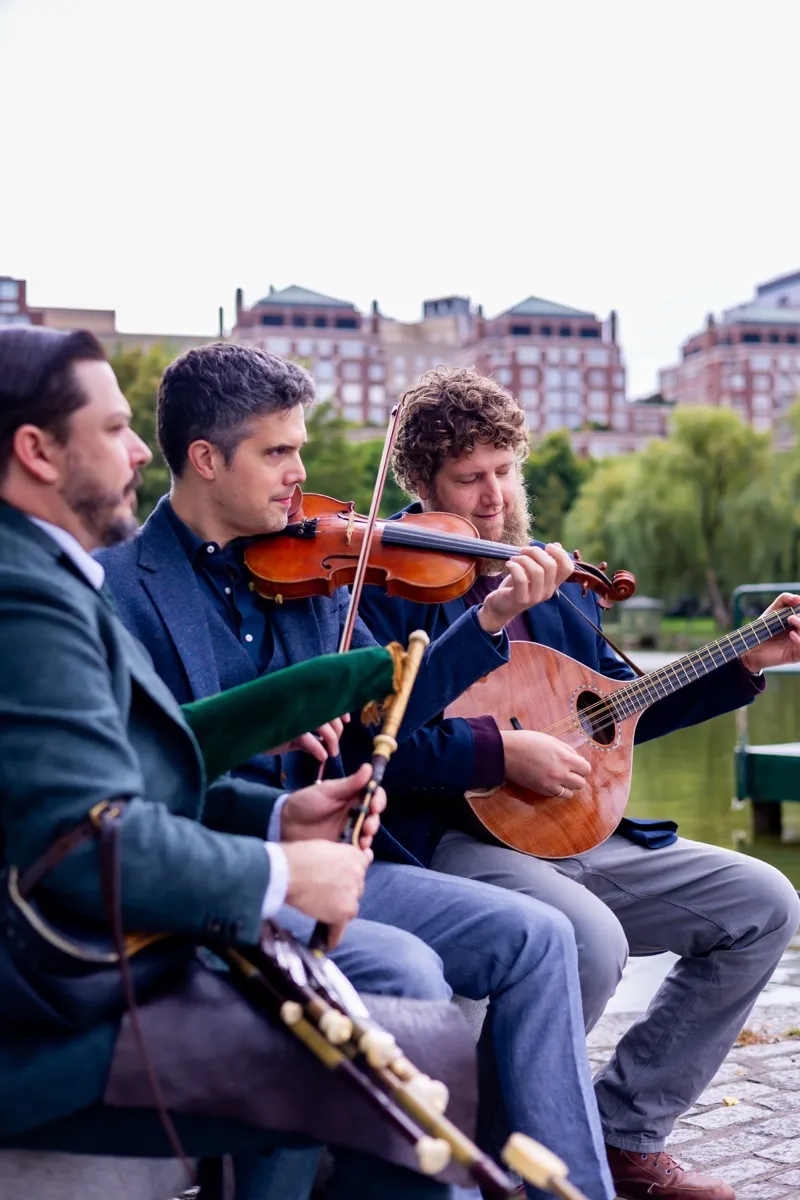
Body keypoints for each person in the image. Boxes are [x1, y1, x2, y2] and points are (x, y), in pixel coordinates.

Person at [98, 342, 616, 1200]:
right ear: (205, 459)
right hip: (218, 875)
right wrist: (275, 733)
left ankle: (565, 1190)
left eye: (300, 448)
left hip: (339, 862)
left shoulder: (314, 574)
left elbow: (394, 721)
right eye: (279, 452)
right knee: (406, 972)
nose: (301, 474)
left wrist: (483, 621)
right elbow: (135, 774)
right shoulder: (119, 588)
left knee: (539, 936)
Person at [0, 325, 496, 1200]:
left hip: (98, 948)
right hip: (53, 992)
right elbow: (80, 843)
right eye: (114, 430)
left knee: (417, 1047)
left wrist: (274, 817)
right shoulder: (26, 596)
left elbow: (118, 778)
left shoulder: (47, 574)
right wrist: (278, 871)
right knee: (411, 1058)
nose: (137, 454)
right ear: (36, 451)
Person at [355, 365, 800, 1200]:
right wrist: (499, 755)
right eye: (468, 478)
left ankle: (624, 1135)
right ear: (419, 483)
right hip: (448, 840)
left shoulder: (553, 585)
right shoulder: (381, 585)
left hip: (569, 830)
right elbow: (369, 745)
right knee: (590, 939)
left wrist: (744, 660)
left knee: (764, 902)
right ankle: (499, 1152)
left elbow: (616, 712)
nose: (493, 497)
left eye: (504, 470)